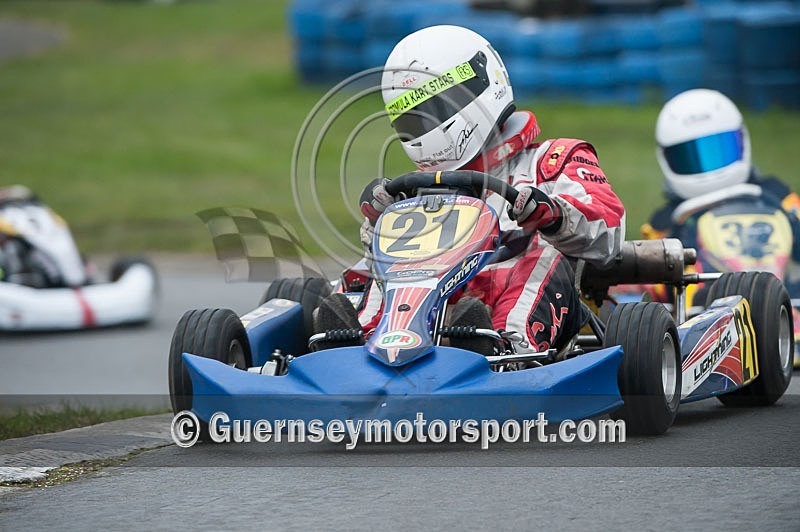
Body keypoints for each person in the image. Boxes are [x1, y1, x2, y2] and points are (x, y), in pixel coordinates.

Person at [316, 25, 625, 355]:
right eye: (412, 120)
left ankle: (506, 349)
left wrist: (554, 214)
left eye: (433, 111)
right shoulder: (419, 190)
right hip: (436, 309)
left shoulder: (550, 160)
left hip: (522, 310)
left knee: (540, 253)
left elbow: (609, 230)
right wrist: (378, 222)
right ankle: (357, 347)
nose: (424, 127)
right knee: (383, 266)